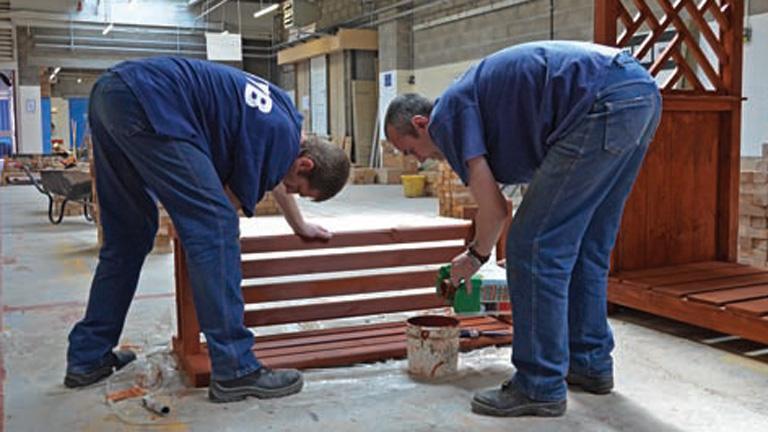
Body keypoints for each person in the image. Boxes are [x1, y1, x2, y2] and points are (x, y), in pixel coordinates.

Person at [385, 41, 661, 417]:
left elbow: (496, 210)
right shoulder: (475, 105)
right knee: (586, 245)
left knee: (531, 246)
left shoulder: (447, 115)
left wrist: (474, 257)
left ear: (420, 124)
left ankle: (539, 384)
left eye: (408, 150)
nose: (415, 161)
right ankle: (589, 362)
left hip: (599, 101)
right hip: (638, 94)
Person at [64, 57, 350, 403]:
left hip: (114, 91)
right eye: (298, 189)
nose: (289, 193)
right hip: (151, 103)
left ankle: (88, 356)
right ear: (306, 163)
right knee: (215, 226)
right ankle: (235, 368)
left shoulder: (284, 120)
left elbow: (270, 174)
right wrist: (200, 222)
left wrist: (298, 224)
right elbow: (225, 205)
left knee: (130, 234)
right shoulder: (277, 140)